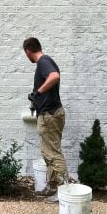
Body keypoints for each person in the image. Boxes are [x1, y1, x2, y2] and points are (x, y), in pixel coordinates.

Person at [23, 37, 67, 202]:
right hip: (48, 113)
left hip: (50, 115)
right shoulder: (44, 62)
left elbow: (54, 77)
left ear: (28, 51)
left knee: (53, 153)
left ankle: (63, 191)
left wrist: (38, 93)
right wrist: (36, 102)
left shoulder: (43, 61)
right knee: (48, 152)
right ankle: (53, 186)